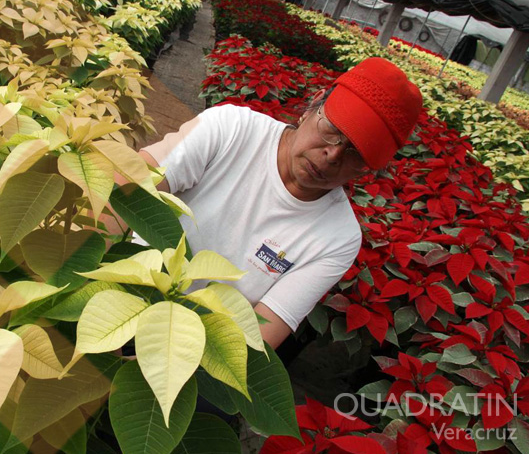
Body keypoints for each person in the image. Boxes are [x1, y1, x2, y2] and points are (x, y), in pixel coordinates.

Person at [137, 57, 423, 349]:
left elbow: (260, 336)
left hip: (195, 344)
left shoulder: (339, 238)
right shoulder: (230, 129)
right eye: (333, 131)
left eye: (357, 155)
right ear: (313, 105)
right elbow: (128, 189)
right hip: (127, 285)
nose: (333, 155)